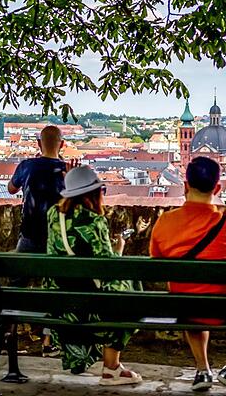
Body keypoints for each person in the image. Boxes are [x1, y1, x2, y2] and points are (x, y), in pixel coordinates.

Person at [149, 156, 226, 394]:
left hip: (184, 306)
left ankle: (203, 369)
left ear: (185, 186)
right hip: (225, 307)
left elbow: (156, 258)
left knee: (192, 296)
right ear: (217, 188)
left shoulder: (164, 222)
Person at [44, 165, 142, 386]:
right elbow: (106, 267)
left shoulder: (53, 214)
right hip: (86, 305)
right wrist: (119, 248)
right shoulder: (93, 221)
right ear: (94, 193)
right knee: (132, 302)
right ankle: (112, 368)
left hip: (59, 302)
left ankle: (78, 358)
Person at [7, 125, 72, 356]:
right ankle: (48, 342)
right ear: (62, 145)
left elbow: (11, 188)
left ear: (38, 144)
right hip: (56, 239)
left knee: (16, 287)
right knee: (54, 290)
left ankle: (8, 335)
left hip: (29, 235)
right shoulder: (67, 170)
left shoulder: (27, 166)